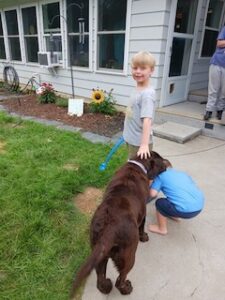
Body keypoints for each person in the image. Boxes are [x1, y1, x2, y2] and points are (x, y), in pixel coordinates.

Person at [148, 159, 205, 235]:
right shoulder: (182, 173)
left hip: (185, 211)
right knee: (175, 197)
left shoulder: (160, 177)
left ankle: (162, 229)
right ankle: (174, 216)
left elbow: (152, 194)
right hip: (199, 206)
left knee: (160, 203)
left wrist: (151, 181)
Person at [123, 51, 156, 159]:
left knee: (138, 170)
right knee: (131, 164)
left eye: (142, 68)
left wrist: (144, 145)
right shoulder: (137, 89)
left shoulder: (147, 94)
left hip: (139, 143)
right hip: (132, 139)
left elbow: (147, 120)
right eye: (135, 68)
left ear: (151, 70)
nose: (138, 71)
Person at [204, 26, 225, 121]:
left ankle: (220, 110)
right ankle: (209, 110)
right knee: (213, 89)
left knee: (224, 91)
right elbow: (219, 43)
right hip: (217, 62)